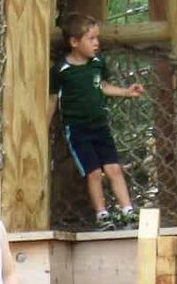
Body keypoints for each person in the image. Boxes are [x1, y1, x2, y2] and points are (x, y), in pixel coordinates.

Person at [48, 12, 143, 231]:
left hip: (100, 126)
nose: (96, 43)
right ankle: (102, 214)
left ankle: (127, 211)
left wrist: (126, 92)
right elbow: (53, 99)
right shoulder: (62, 70)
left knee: (114, 169)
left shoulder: (98, 64)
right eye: (91, 39)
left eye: (97, 38)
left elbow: (102, 86)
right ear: (74, 42)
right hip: (78, 130)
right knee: (93, 173)